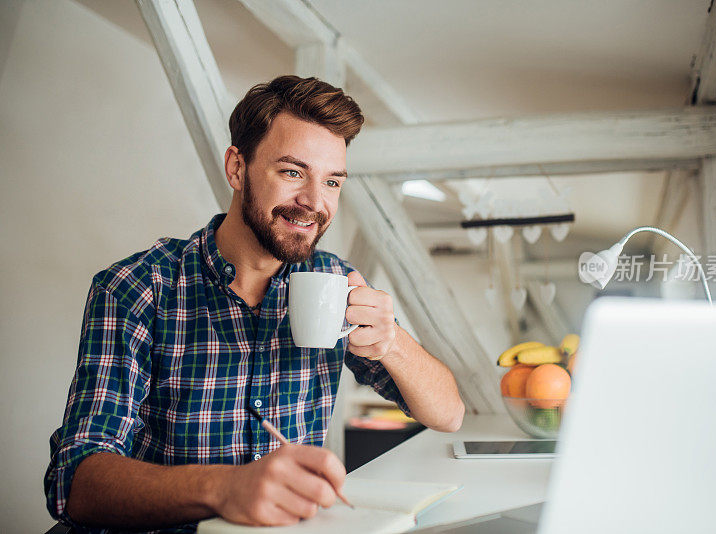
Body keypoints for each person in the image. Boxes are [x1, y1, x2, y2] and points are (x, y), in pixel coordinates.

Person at [45, 75, 465, 533]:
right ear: (237, 168)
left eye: (332, 182)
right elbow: (75, 481)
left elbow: (448, 414)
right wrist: (226, 489)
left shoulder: (335, 283)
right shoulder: (139, 286)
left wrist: (392, 342)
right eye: (291, 172)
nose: (313, 202)